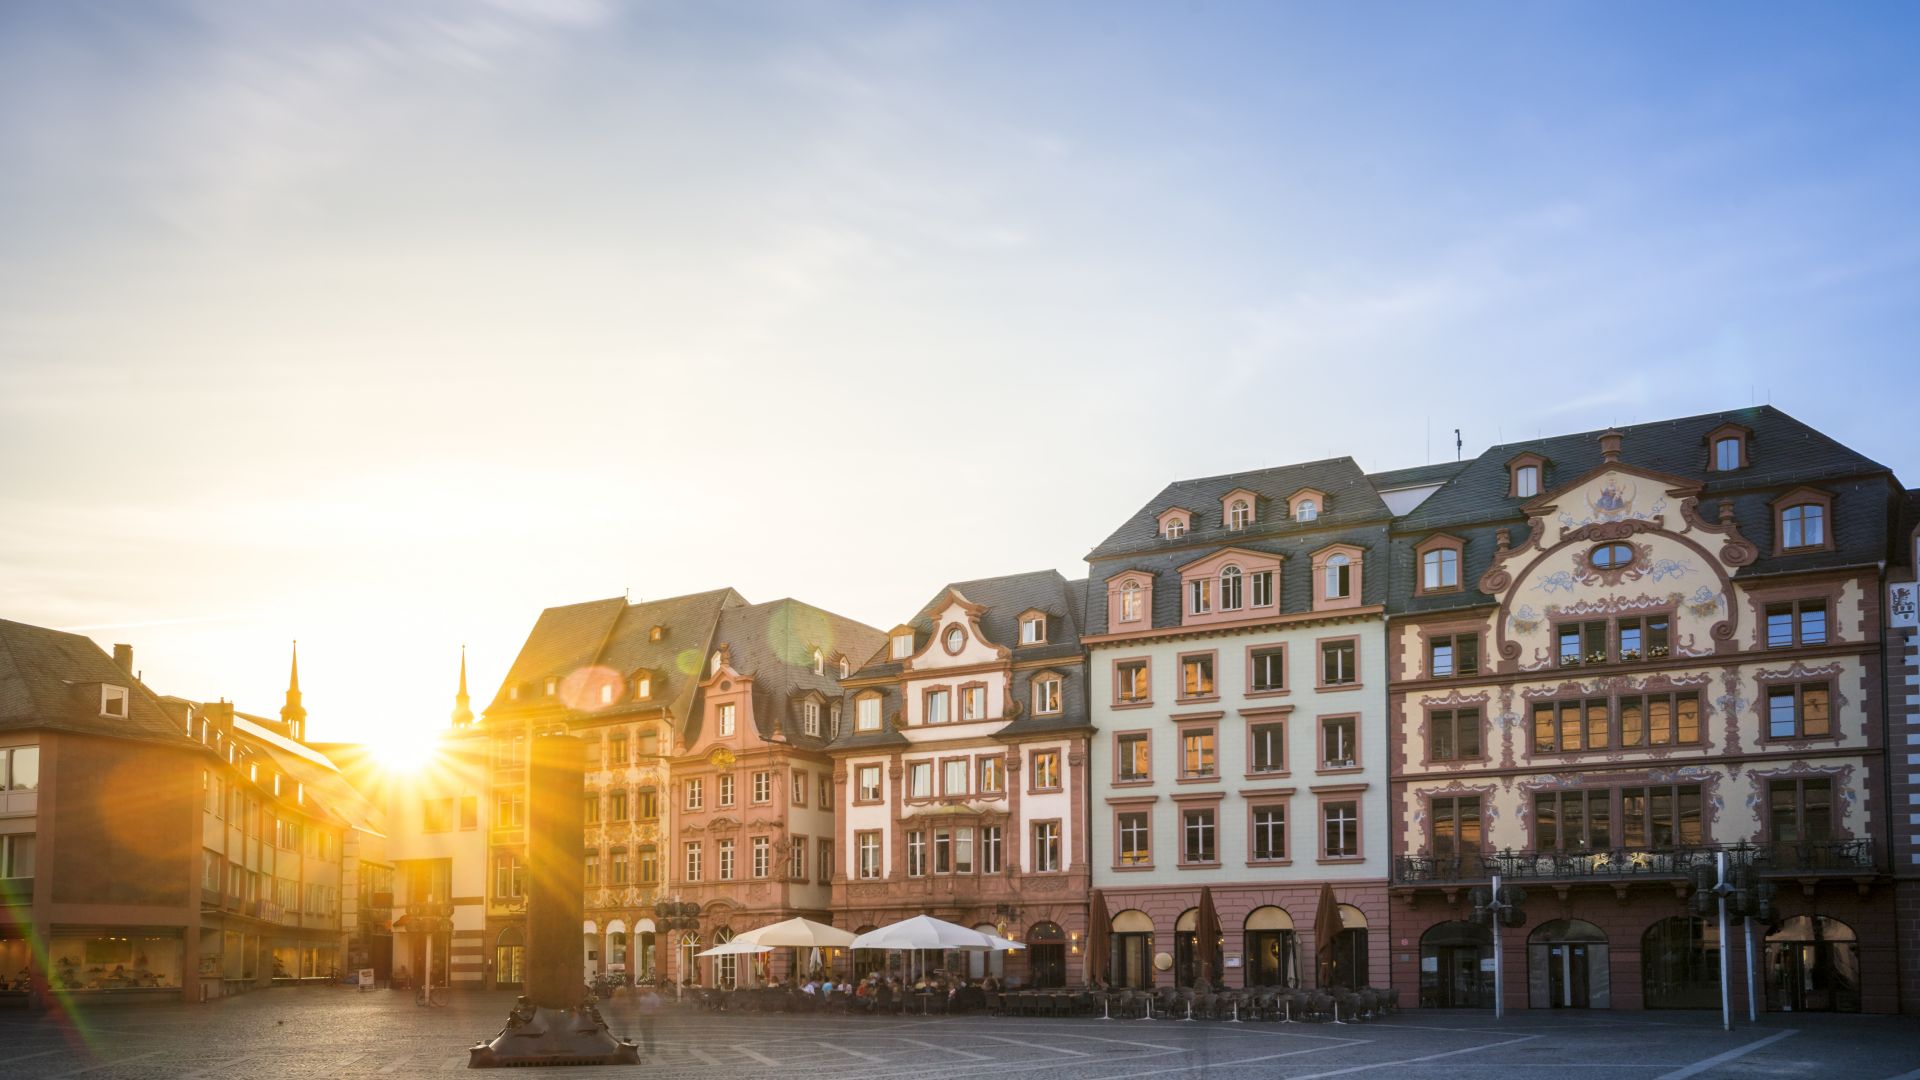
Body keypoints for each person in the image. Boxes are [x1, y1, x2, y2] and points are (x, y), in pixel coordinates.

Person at [635, 984, 661, 1057]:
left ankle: (651, 1049)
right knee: (644, 1033)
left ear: (649, 989)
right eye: (643, 988)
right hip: (642, 1016)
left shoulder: (654, 996)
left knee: (649, 1033)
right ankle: (647, 1048)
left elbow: (656, 1007)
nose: (644, 989)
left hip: (649, 1017)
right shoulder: (642, 996)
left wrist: (654, 1016)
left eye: (646, 988)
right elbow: (638, 1005)